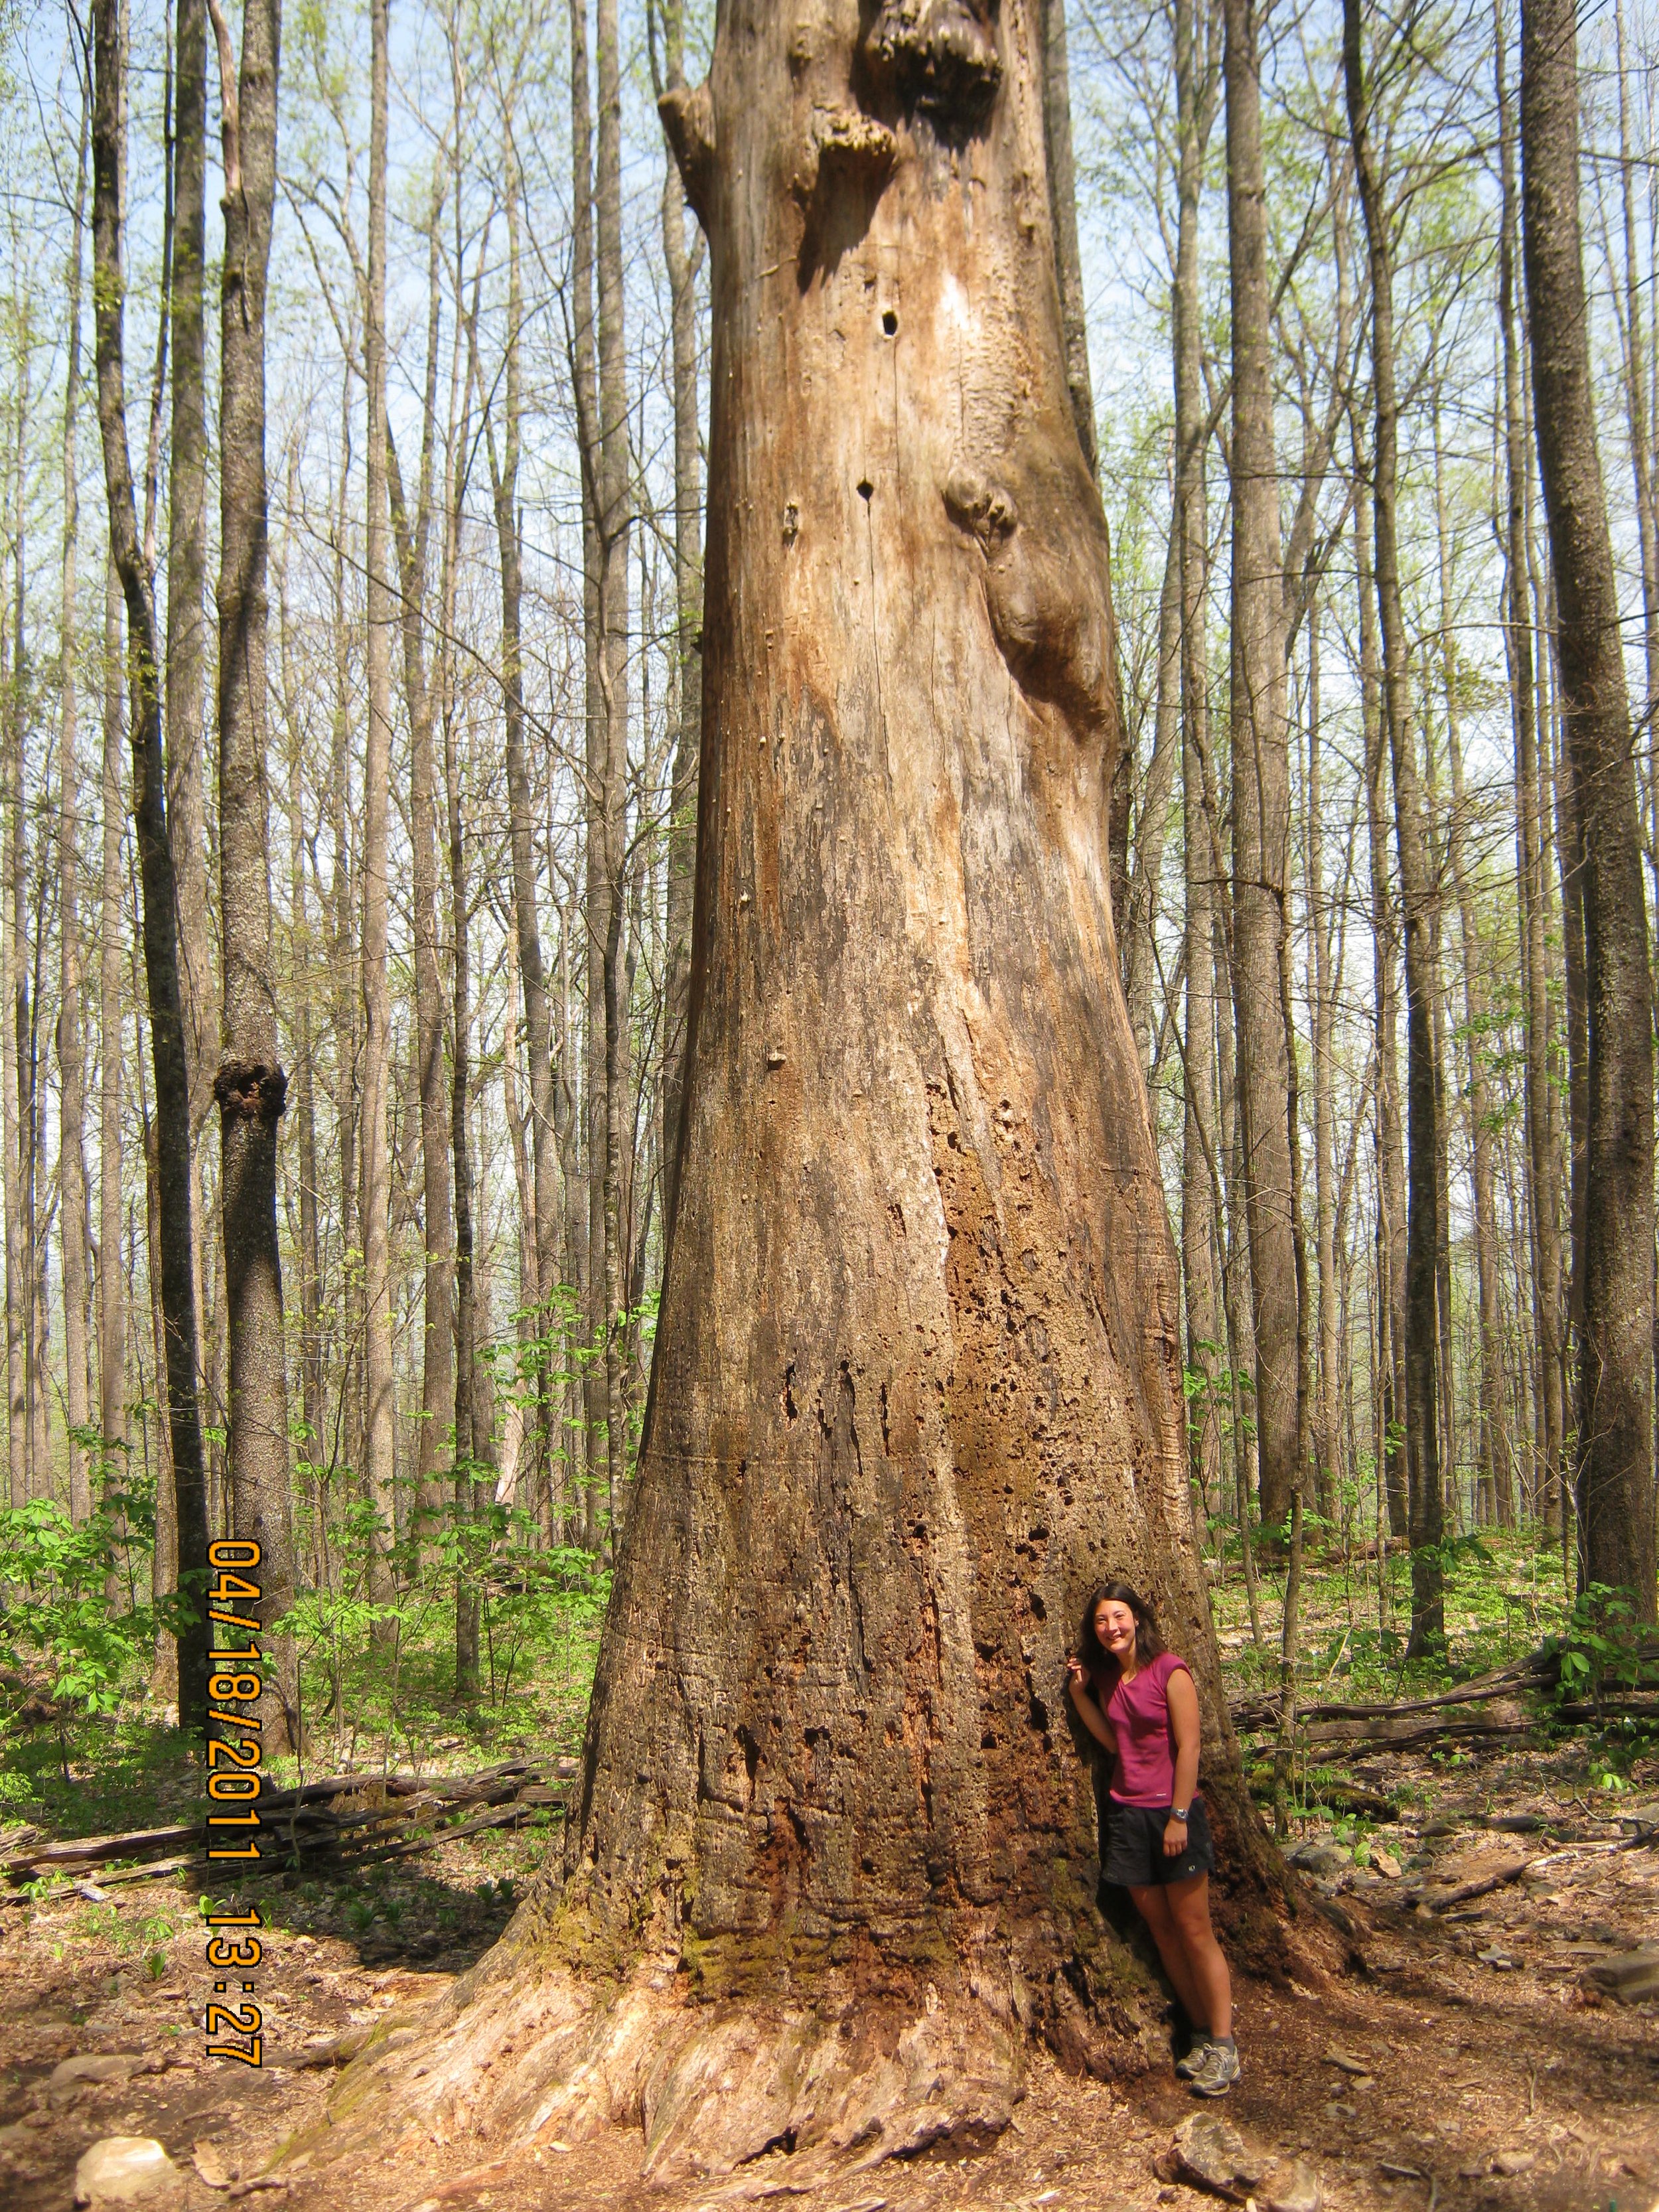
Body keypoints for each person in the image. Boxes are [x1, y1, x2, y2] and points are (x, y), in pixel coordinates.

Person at [1064, 1580, 1238, 2097]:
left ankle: (1225, 2044)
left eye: (1118, 1616)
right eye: (1101, 1620)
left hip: (1173, 1812)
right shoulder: (1107, 1678)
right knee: (1162, 1932)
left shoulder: (1171, 1671)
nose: (1111, 1627)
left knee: (1195, 1930)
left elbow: (1189, 1748)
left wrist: (1179, 1816)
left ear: (1137, 1617)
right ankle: (1200, 2033)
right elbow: (1115, 1742)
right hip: (1127, 1815)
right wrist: (1079, 1695)